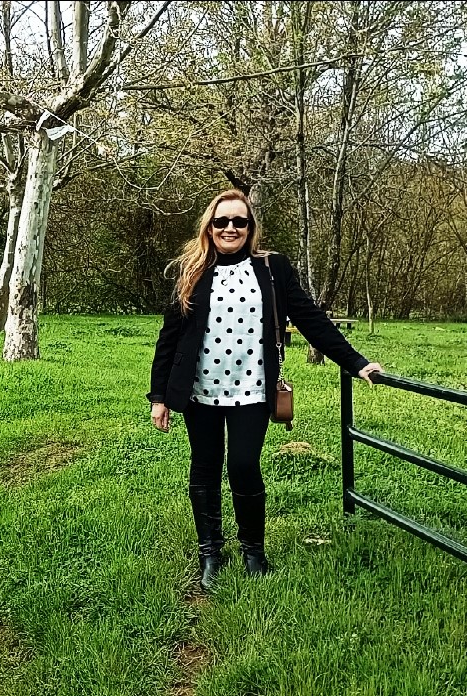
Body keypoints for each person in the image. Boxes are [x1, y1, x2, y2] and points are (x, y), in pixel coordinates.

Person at [146, 189, 382, 592]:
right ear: (209, 227)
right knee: (204, 467)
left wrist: (356, 362)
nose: (230, 228)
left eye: (239, 221)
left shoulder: (272, 269)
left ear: (250, 227)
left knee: (243, 465)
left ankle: (253, 552)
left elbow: (310, 319)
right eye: (222, 221)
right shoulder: (192, 270)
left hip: (252, 391)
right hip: (200, 391)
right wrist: (159, 396)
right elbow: (169, 338)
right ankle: (210, 553)